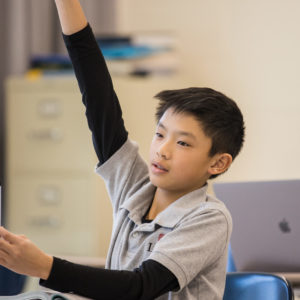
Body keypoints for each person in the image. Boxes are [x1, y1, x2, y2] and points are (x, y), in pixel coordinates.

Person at [0, 0, 245, 299]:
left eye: (182, 143)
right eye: (160, 135)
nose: (162, 151)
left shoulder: (208, 218)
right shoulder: (135, 187)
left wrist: (45, 267)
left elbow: (140, 287)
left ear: (218, 163)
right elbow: (97, 95)